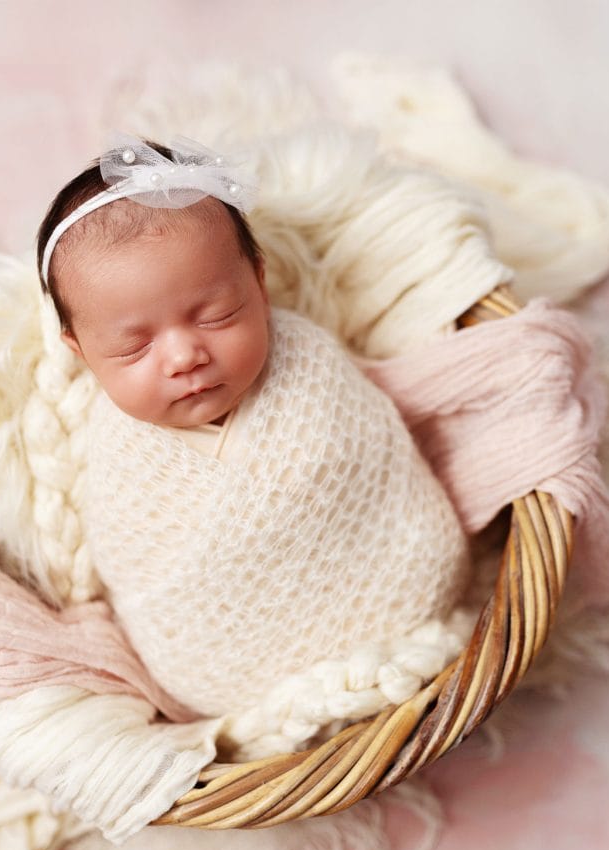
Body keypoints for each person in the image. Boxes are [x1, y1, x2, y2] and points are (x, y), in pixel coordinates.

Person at [35, 134, 473, 739]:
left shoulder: (309, 364)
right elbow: (134, 564)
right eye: (134, 346)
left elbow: (371, 463)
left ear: (259, 285)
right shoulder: (116, 449)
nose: (185, 355)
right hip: (224, 668)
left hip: (392, 589)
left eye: (216, 315)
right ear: (82, 353)